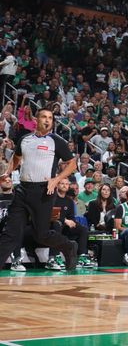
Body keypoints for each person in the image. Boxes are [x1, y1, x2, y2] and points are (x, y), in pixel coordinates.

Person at [0, 108, 78, 271]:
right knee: (11, 232)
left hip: (43, 192)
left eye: (50, 118)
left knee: (41, 235)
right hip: (22, 190)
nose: (47, 120)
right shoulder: (25, 139)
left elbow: (72, 164)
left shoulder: (56, 141)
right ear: (36, 119)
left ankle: (69, 246)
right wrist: (7, 172)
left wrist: (56, 180)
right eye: (44, 117)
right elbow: (16, 158)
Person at [53, 179, 93, 267]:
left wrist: (73, 222)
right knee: (57, 224)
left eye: (67, 184)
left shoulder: (69, 201)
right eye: (62, 183)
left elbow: (71, 216)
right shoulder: (52, 198)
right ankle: (55, 257)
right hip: (53, 225)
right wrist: (65, 220)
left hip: (66, 226)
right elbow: (51, 215)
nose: (64, 185)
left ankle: (82, 256)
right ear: (57, 185)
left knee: (83, 229)